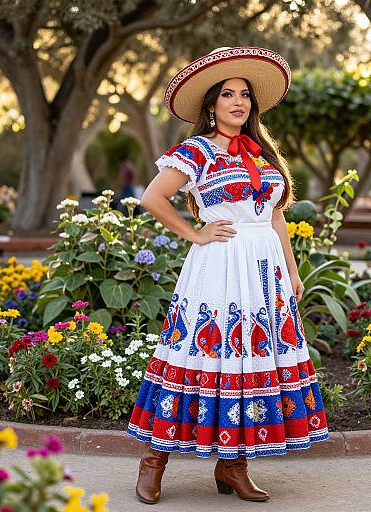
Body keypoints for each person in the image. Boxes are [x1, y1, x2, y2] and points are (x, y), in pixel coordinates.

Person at [126, 46, 329, 505]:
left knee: (248, 364)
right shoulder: (196, 151)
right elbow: (153, 199)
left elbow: (275, 217)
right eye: (228, 94)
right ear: (211, 105)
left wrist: (292, 272)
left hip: (264, 271)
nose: (239, 102)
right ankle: (153, 462)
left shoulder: (263, 155)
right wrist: (194, 234)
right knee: (202, 357)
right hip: (219, 265)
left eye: (245, 95)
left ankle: (232, 467)